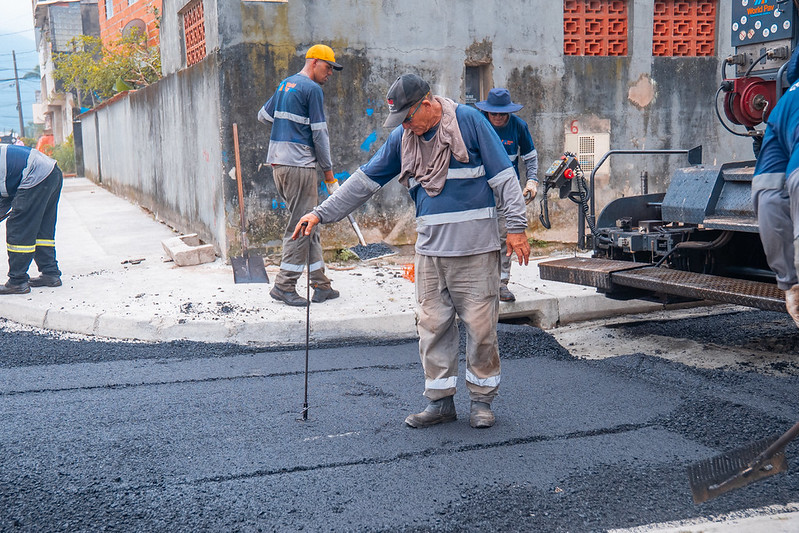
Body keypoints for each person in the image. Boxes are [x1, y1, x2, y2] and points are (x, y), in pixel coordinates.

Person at [293, 74, 530, 429]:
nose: (405, 126)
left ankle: (482, 402)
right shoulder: (403, 139)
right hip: (431, 253)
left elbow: (504, 176)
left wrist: (517, 228)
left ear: (427, 104)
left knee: (481, 330)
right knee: (432, 328)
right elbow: (364, 181)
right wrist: (320, 213)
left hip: (476, 251)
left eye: (408, 117)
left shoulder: (468, 121)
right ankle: (440, 402)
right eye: (400, 121)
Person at [257, 44, 343, 307]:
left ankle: (320, 284)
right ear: (314, 62)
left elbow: (263, 116)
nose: (330, 73)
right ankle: (284, 285)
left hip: (279, 165)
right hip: (300, 166)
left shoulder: (286, 85)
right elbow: (320, 134)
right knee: (300, 225)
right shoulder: (312, 89)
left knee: (309, 223)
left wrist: (288, 127)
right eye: (328, 67)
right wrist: (328, 173)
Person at [475, 88, 538, 302]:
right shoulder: (478, 124)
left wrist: (532, 180)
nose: (498, 118)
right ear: (487, 112)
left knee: (505, 236)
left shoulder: (519, 126)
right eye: (494, 114)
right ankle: (478, 283)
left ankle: (501, 283)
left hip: (507, 191)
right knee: (478, 237)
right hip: (480, 189)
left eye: (503, 114)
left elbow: (530, 157)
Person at [752, 47, 799, 326]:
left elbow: (769, 194)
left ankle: (792, 287)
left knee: (768, 192)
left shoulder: (786, 98)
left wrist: (790, 281)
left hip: (787, 104)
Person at [0, 144, 63, 294]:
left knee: (19, 227)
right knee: (42, 229)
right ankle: (50, 273)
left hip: (35, 175)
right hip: (51, 172)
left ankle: (17, 281)